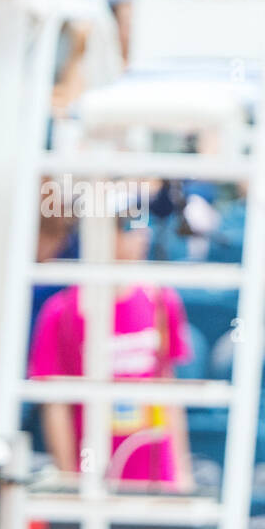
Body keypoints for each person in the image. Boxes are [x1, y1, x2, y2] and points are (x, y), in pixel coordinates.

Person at [29, 200, 195, 489]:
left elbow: (168, 388)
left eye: (143, 226)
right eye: (128, 227)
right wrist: (69, 478)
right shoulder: (61, 312)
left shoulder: (161, 300)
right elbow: (55, 403)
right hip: (94, 469)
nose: (141, 236)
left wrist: (181, 472)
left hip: (154, 469)